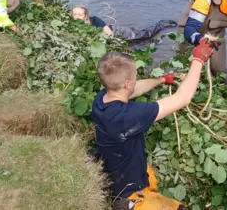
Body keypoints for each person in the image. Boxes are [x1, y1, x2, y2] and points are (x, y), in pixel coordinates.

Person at [91, 38, 217, 210]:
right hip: (126, 194)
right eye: (135, 77)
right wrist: (198, 59)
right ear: (127, 83)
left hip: (115, 171)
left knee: (151, 179)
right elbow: (183, 98)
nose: (136, 80)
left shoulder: (101, 99)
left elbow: (136, 89)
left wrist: (161, 80)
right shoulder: (130, 115)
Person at [72, 6, 177, 42]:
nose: (77, 17)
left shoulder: (95, 20)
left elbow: (109, 33)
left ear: (85, 16)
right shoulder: (74, 26)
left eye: (79, 14)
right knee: (139, 43)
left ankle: (162, 24)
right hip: (116, 38)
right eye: (75, 14)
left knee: (145, 35)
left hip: (118, 32)